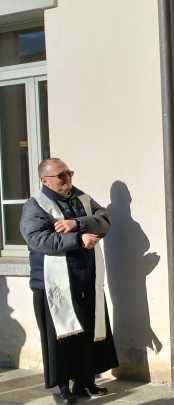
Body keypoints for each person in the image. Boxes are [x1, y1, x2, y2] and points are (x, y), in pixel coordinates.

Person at [20, 158, 117, 404]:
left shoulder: (81, 198)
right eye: (61, 176)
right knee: (59, 340)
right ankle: (61, 388)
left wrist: (77, 224)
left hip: (85, 277)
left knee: (85, 335)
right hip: (52, 284)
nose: (68, 179)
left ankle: (85, 382)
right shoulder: (35, 206)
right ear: (45, 180)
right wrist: (79, 240)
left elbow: (104, 219)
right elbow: (38, 239)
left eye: (69, 173)